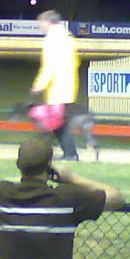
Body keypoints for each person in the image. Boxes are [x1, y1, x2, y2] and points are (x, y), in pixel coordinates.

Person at [0, 138, 124, 259]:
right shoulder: (66, 199)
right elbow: (116, 198)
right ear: (49, 165)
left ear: (18, 164)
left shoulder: (1, 193)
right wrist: (72, 179)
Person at [31, 10, 82, 161]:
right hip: (69, 86)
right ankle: (69, 153)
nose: (40, 26)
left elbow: (49, 66)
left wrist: (39, 85)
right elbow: (76, 62)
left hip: (57, 88)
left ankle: (69, 154)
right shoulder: (68, 38)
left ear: (48, 22)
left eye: (41, 22)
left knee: (57, 124)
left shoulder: (51, 40)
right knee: (59, 123)